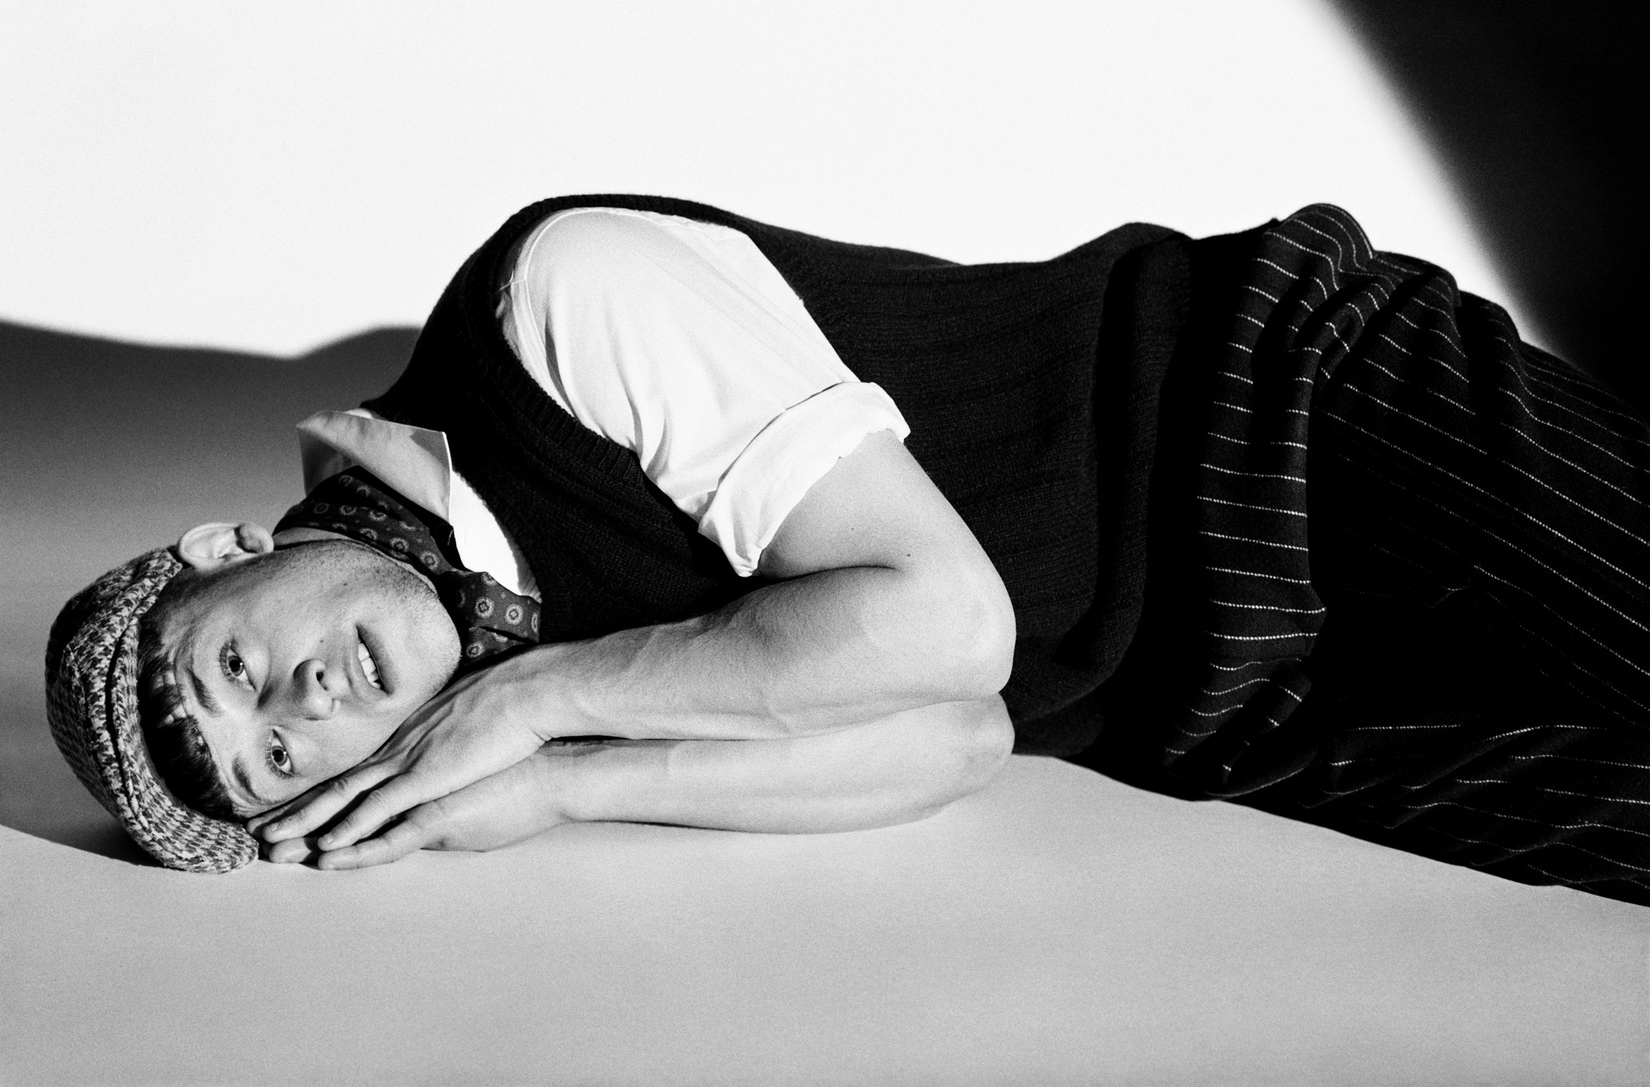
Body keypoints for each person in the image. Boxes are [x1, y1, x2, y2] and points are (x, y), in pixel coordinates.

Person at [46, 194, 1650, 905]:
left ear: (228, 546)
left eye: (237, 660)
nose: (305, 699)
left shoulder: (557, 305)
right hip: (1213, 708)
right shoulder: (508, 681)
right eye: (277, 756)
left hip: (1288, 417)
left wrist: (541, 706)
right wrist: (560, 782)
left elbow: (948, 626)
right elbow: (956, 738)